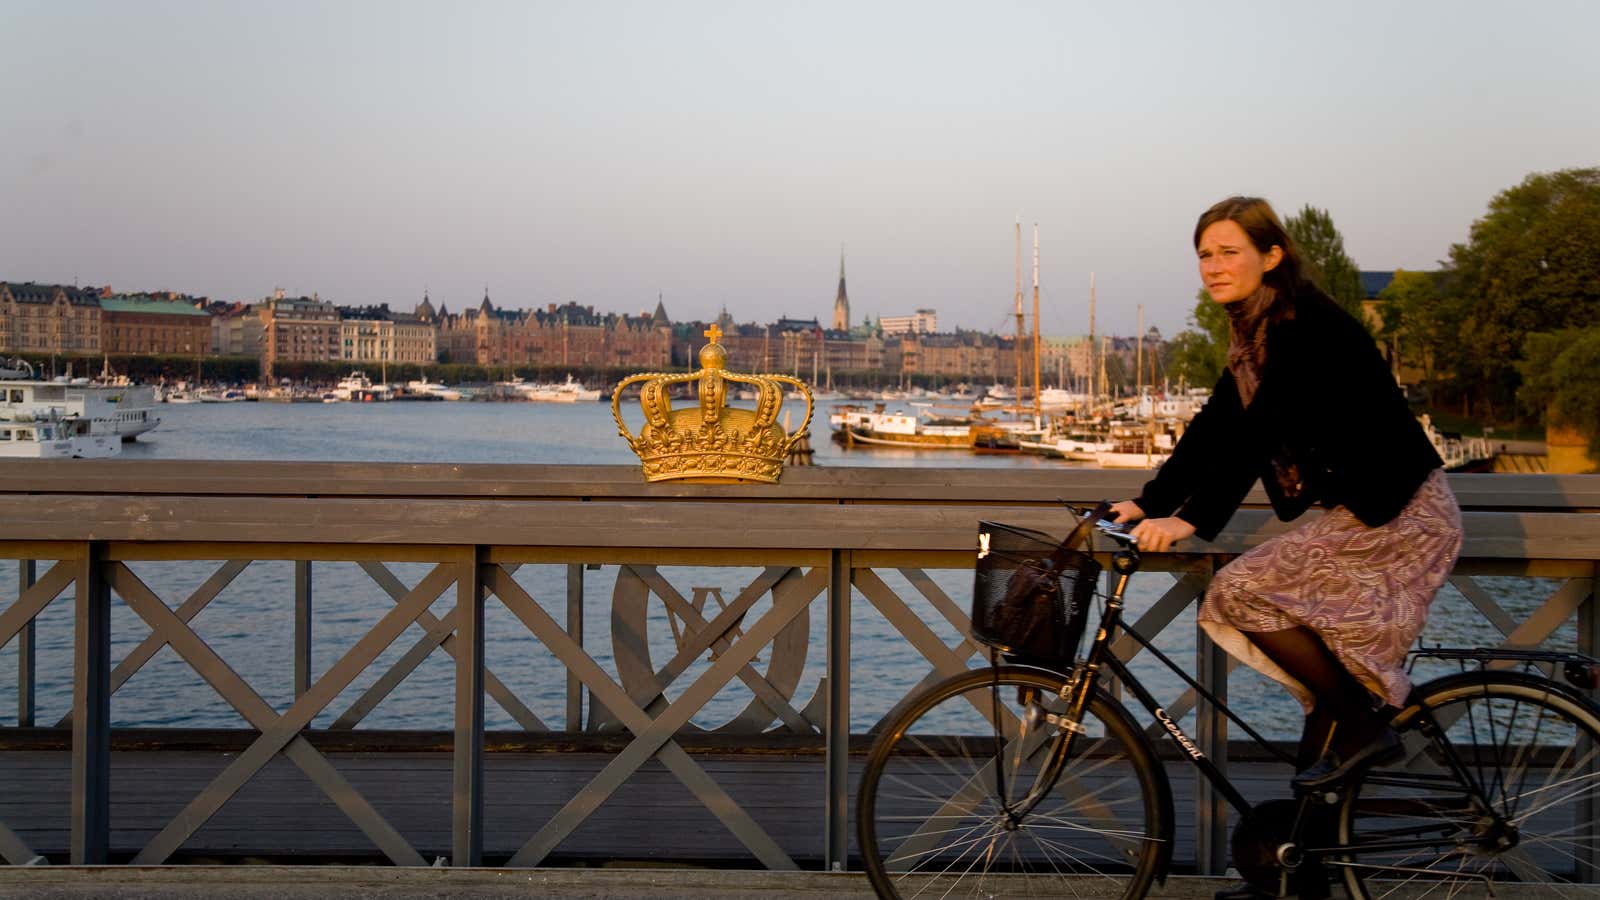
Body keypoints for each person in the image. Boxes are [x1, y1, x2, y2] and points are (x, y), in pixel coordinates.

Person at [1110, 196, 1464, 791]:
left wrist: (1191, 518)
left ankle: (1365, 727)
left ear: (1272, 256)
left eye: (1229, 253)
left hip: (1403, 518)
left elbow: (1261, 428)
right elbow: (1218, 425)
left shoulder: (1302, 324)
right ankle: (1296, 862)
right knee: (1331, 695)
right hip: (1374, 514)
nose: (1214, 266)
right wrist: (1150, 501)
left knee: (1240, 591)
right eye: (1204, 255)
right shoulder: (1256, 330)